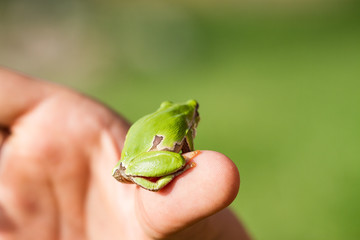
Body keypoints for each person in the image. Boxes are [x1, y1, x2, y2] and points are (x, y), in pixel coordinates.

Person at [0, 68, 251, 239]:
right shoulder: (185, 118)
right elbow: (186, 146)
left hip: (126, 163)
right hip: (140, 161)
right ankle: (156, 174)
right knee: (178, 160)